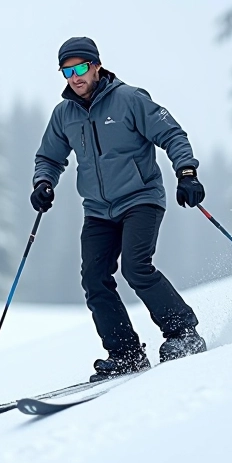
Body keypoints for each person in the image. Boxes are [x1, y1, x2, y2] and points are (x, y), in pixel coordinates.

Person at [31, 36, 207, 382]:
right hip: (98, 209)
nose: (75, 77)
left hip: (140, 198)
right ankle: (126, 354)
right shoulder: (64, 114)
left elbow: (171, 134)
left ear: (97, 65)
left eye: (80, 68)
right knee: (94, 279)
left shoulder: (129, 99)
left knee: (136, 268)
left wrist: (186, 172)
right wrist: (43, 183)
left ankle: (184, 335)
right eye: (67, 71)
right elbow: (49, 157)